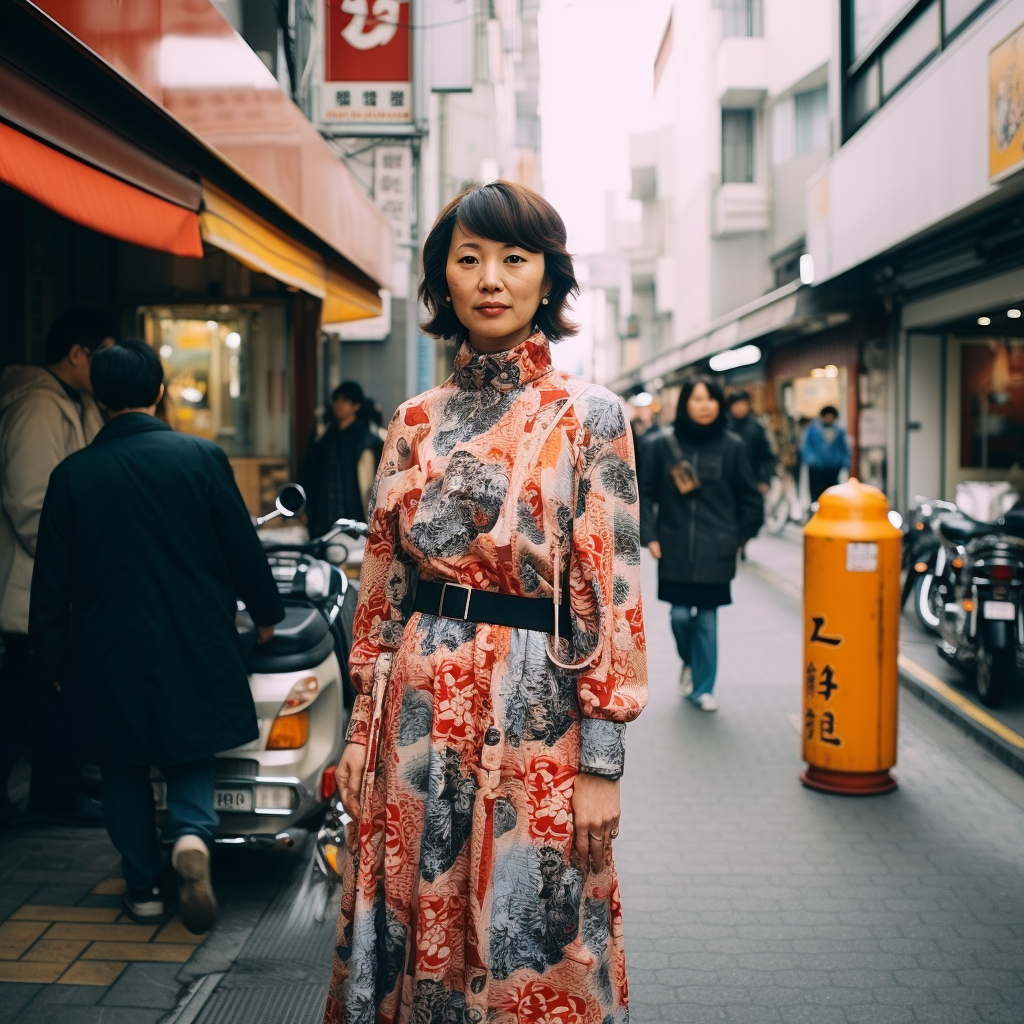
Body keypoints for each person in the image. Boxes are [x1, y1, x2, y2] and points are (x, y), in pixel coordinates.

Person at [323, 182, 648, 1024]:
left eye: (515, 257)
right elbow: (384, 588)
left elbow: (609, 594)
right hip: (417, 716)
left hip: (538, 718)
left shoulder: (590, 417)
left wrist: (601, 765)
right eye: (469, 259)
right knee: (413, 924)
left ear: (550, 278)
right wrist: (361, 730)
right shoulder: (413, 422)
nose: (492, 278)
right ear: (443, 284)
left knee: (536, 938)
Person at [29, 340, 284, 931]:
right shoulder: (200, 457)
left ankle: (142, 887)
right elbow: (239, 548)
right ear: (160, 392)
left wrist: (52, 659)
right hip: (193, 636)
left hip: (102, 646)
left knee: (122, 764)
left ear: (97, 396)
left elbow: (51, 581)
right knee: (188, 745)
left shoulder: (72, 475)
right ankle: (192, 834)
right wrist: (265, 613)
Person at [0, 308, 114, 824]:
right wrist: (79, 560)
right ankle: (52, 793)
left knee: (38, 696)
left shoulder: (77, 402)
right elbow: (31, 506)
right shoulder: (38, 409)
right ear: (76, 355)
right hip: (29, 587)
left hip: (51, 583)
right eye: (103, 354)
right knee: (29, 697)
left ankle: (56, 790)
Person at [640, 377, 764, 712]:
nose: (705, 405)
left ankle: (704, 688)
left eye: (711, 399)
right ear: (685, 405)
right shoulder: (661, 445)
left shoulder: (733, 445)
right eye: (697, 399)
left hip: (717, 549)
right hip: (674, 546)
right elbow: (643, 493)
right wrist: (649, 535)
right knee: (680, 616)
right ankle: (692, 663)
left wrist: (740, 536)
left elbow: (751, 499)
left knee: (707, 619)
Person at [301, 381, 384, 538]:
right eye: (336, 400)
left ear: (356, 406)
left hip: (354, 513)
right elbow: (308, 473)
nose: (339, 404)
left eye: (345, 400)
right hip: (322, 514)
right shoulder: (322, 437)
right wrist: (305, 509)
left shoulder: (367, 440)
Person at [727, 390, 775, 494]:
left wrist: (764, 480)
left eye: (742, 404)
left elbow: (766, 456)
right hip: (729, 483)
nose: (739, 408)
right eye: (736, 404)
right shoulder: (724, 427)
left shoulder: (756, 428)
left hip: (754, 480)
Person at [801, 404, 850, 502]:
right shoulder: (813, 430)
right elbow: (806, 447)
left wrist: (844, 463)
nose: (829, 419)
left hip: (833, 469)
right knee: (816, 494)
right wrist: (813, 461)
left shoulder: (839, 431)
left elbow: (845, 448)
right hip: (816, 470)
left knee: (832, 494)